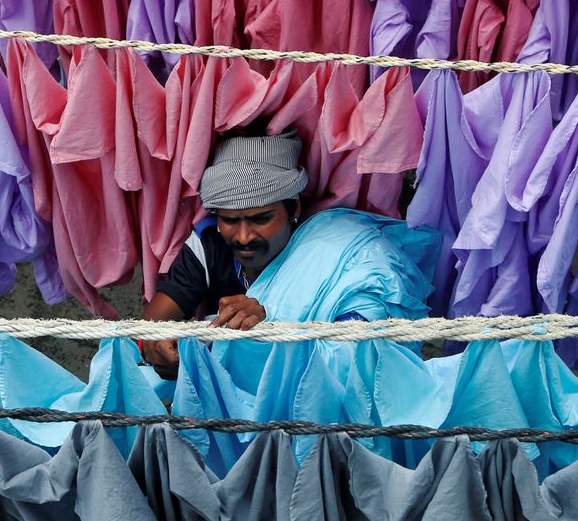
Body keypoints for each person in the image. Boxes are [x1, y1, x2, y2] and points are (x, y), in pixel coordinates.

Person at [142, 130, 439, 378]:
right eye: (230, 221)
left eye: (261, 219)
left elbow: (350, 362)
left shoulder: (332, 254)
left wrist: (272, 319)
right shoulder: (209, 244)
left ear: (294, 209)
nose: (243, 236)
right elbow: (147, 328)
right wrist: (161, 349)